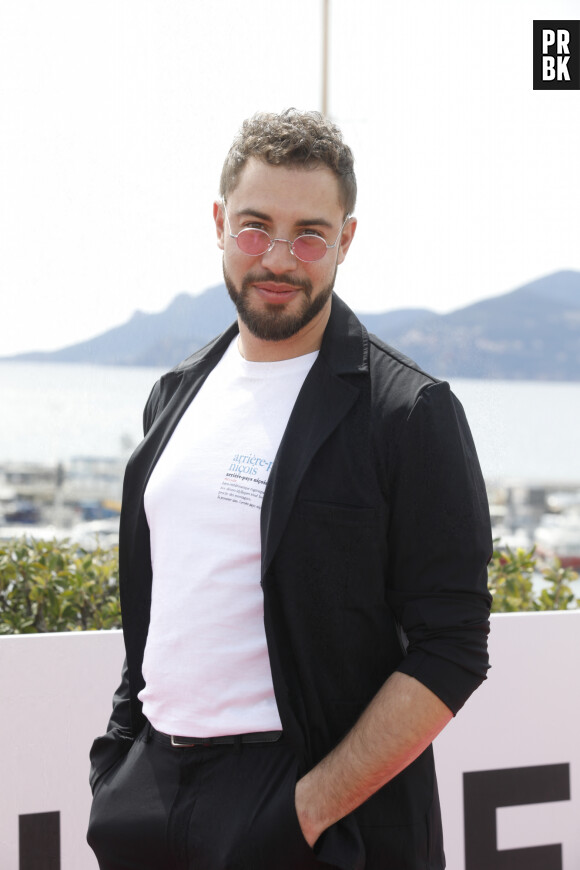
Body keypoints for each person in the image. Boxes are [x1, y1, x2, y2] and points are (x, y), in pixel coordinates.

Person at [87, 109, 492, 870]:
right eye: (254, 227)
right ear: (218, 223)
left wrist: (305, 811)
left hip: (307, 813)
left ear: (345, 240)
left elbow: (452, 648)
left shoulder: (407, 411)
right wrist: (119, 763)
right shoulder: (176, 394)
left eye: (309, 233)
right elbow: (161, 604)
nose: (278, 257)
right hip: (151, 801)